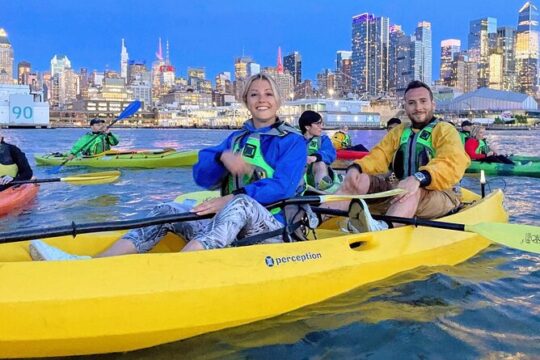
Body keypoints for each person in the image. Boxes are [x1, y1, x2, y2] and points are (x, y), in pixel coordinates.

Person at [29, 73, 308, 261]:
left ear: (278, 100)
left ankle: (178, 271)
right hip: (229, 229)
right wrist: (222, 157)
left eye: (269, 94)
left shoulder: (292, 142)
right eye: (254, 95)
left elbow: (281, 186)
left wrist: (228, 199)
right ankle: (93, 264)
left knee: (241, 204)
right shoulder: (235, 139)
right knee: (167, 209)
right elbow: (202, 177)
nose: (262, 100)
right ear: (246, 101)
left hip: (273, 232)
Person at [328, 80, 470, 232]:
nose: (418, 108)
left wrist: (418, 178)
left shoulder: (445, 130)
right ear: (405, 107)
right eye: (411, 103)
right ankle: (314, 220)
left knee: (412, 191)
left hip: (441, 194)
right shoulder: (399, 131)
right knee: (359, 180)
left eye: (423, 101)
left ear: (433, 105)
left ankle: (383, 230)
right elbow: (379, 155)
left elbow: (451, 162)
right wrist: (356, 168)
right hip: (400, 190)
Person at [299, 110, 338, 191]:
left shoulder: (323, 140)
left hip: (314, 175)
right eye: (318, 124)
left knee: (320, 163)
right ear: (307, 127)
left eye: (321, 123)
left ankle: (322, 188)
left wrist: (315, 157)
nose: (321, 127)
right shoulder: (294, 140)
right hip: (298, 174)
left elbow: (330, 152)